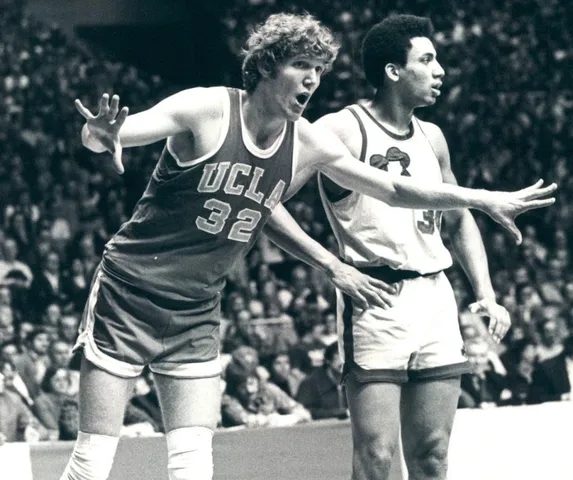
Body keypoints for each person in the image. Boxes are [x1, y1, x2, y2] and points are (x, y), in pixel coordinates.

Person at [62, 12, 554, 480]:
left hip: (198, 305)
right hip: (131, 291)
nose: (312, 80)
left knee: (193, 465)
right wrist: (99, 134)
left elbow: (392, 189)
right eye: (301, 65)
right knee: (92, 461)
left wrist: (480, 198)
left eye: (319, 70)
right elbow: (116, 132)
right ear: (266, 67)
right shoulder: (208, 108)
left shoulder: (307, 141)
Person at [311, 14, 553, 480]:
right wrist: (329, 264)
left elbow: (458, 217)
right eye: (426, 60)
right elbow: (271, 196)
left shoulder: (433, 136)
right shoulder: (342, 128)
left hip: (436, 297)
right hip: (375, 296)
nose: (440, 70)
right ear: (392, 71)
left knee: (433, 454)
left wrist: (485, 293)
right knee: (377, 457)